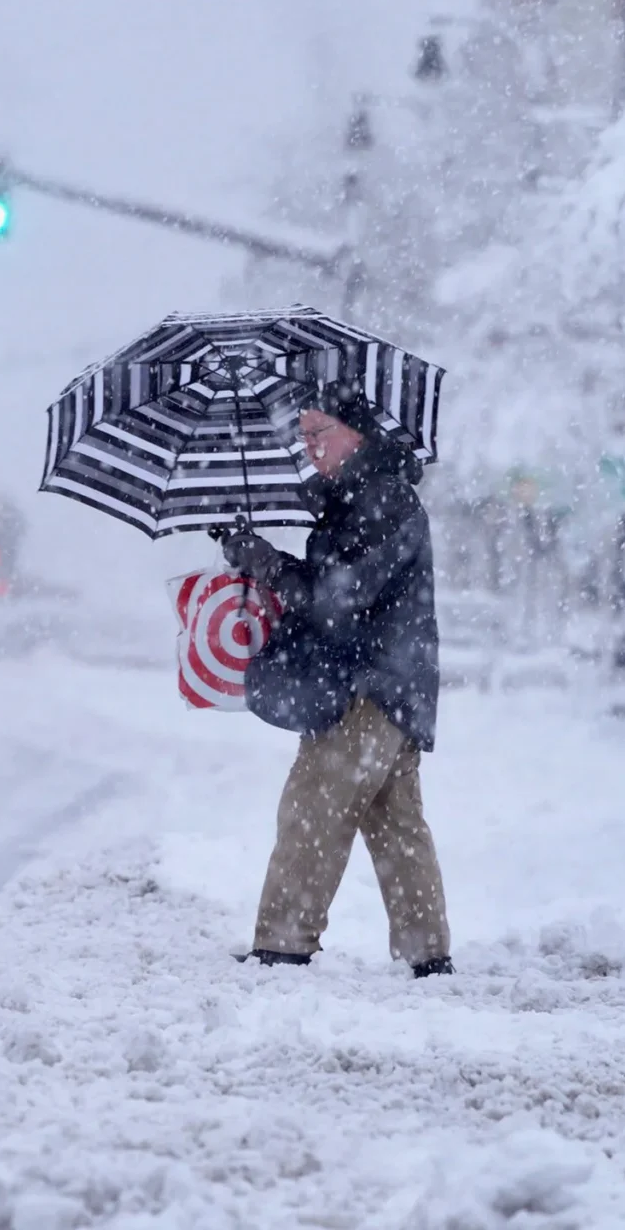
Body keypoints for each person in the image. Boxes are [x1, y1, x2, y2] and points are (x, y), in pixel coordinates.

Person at [220, 382, 451, 978]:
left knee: (311, 810)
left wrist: (266, 563)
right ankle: (428, 957)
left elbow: (335, 601)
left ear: (358, 433)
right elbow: (336, 590)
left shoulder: (379, 501)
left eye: (320, 434)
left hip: (366, 690)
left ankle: (282, 947)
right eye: (305, 438)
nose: (312, 448)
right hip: (395, 688)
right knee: (397, 826)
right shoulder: (362, 499)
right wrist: (259, 552)